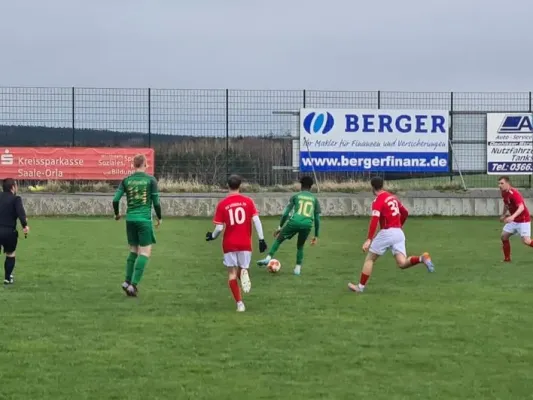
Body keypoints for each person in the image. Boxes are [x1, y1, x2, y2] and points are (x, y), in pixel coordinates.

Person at [348, 176, 434, 293]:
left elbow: (374, 220)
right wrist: (399, 225)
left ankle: (360, 287)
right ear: (382, 185)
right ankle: (422, 258)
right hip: (398, 233)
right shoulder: (393, 198)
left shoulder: (378, 201)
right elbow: (405, 212)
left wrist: (369, 239)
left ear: (373, 188)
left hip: (387, 232)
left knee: (370, 259)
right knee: (402, 263)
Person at [206, 175, 267, 312]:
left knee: (231, 274)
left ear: (227, 185)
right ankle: (243, 273)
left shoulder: (223, 204)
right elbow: (257, 221)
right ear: (240, 185)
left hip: (229, 244)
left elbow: (219, 228)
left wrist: (212, 236)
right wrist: (261, 239)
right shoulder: (248, 202)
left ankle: (240, 304)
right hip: (245, 243)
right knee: (242, 268)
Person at [112, 154, 161, 297]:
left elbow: (115, 200)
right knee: (145, 252)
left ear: (134, 165)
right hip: (144, 220)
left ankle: (126, 281)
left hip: (130, 219)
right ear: (145, 165)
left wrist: (117, 214)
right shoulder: (151, 180)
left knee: (133, 250)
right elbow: (156, 202)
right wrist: (159, 217)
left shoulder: (126, 180)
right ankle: (133, 285)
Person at [256, 176, 320, 276]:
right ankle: (297, 270)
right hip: (307, 224)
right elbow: (317, 219)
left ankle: (268, 258)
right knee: (300, 246)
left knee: (279, 239)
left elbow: (286, 213)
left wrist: (279, 227)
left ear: (301, 185)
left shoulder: (296, 196)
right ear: (311, 187)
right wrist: (316, 235)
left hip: (294, 222)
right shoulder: (314, 199)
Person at [0, 178, 30, 285]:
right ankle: (7, 278)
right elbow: (21, 213)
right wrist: (25, 226)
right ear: (13, 187)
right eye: (16, 185)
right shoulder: (16, 199)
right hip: (9, 231)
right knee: (10, 253)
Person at [498, 176, 533, 262]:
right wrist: (503, 214)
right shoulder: (503, 193)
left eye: (502, 183)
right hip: (514, 220)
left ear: (507, 183)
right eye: (499, 183)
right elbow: (506, 204)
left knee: (526, 241)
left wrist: (512, 217)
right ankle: (507, 259)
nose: (499, 185)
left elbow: (521, 207)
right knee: (504, 236)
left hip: (523, 220)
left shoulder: (514, 193)